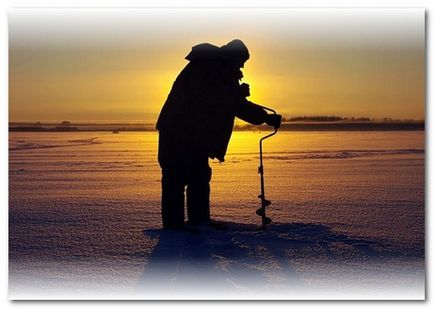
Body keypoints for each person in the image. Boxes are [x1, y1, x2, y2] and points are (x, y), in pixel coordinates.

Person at [156, 39, 281, 231]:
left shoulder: (214, 69)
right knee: (177, 178)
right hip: (180, 133)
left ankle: (197, 223)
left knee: (196, 177)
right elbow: (221, 101)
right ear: (232, 57)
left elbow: (224, 100)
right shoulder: (208, 69)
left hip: (190, 134)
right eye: (241, 61)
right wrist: (255, 110)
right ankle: (175, 230)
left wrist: (246, 103)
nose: (241, 66)